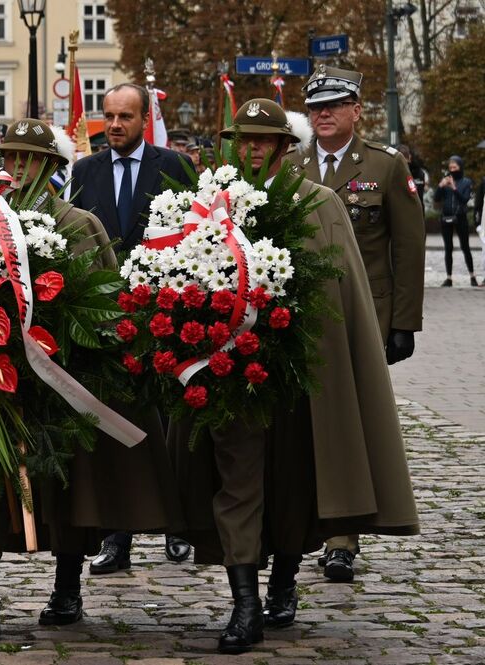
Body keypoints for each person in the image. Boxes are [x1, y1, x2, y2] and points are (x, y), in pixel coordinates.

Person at [172, 98, 420, 654]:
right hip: (230, 374)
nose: (253, 149)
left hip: (300, 379)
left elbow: (343, 296)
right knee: (237, 482)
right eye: (245, 140)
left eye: (265, 140)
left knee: (291, 485)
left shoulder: (321, 204)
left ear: (287, 147)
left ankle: (282, 585)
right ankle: (243, 605)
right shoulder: (215, 203)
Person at [0, 117, 185, 648]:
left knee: (71, 485)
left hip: (63, 382)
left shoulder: (78, 224)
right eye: (10, 159)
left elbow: (102, 301)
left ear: (51, 168)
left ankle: (66, 587)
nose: (17, 169)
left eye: (30, 160)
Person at [286, 66, 425, 582]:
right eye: (316, 106)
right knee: (303, 423)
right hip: (300, 317)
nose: (322, 114)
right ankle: (303, 524)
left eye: (334, 105)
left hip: (363, 316)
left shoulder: (386, 166)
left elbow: (408, 249)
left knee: (351, 425)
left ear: (355, 110)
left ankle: (342, 539)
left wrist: (404, 322)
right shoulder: (294, 164)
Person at [71, 82, 195, 574]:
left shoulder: (175, 168)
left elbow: (196, 236)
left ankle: (177, 526)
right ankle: (116, 538)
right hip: (106, 316)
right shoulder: (85, 170)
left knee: (168, 424)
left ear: (145, 119)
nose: (115, 126)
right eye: (109, 117)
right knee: (115, 425)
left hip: (162, 316)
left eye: (125, 117)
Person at [433, 155, 477, 287]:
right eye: (450, 167)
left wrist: (454, 188)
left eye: (455, 167)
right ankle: (449, 278)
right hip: (446, 217)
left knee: (465, 247)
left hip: (460, 217)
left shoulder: (466, 182)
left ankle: (472, 275)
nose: (452, 170)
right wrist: (441, 186)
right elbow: (436, 198)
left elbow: (464, 200)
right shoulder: (445, 181)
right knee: (448, 248)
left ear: (460, 167)